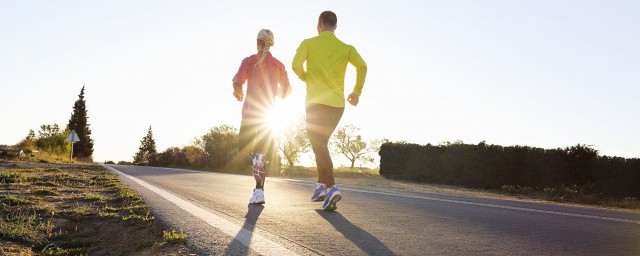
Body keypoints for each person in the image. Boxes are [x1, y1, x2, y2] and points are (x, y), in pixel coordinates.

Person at [292, 11, 367, 211]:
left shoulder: (309, 43)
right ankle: (320, 187)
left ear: (319, 24)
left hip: (316, 102)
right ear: (335, 26)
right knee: (321, 143)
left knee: (319, 144)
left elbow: (295, 65)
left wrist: (306, 77)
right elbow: (362, 66)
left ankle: (332, 187)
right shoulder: (346, 48)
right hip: (337, 105)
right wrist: (356, 92)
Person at [232, 29, 291, 205]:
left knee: (243, 149)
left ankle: (258, 189)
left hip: (251, 114)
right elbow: (287, 92)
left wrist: (239, 93)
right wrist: (274, 91)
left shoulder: (249, 61)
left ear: (257, 42)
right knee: (260, 154)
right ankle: (259, 190)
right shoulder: (279, 65)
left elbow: (237, 82)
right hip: (268, 116)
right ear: (271, 44)